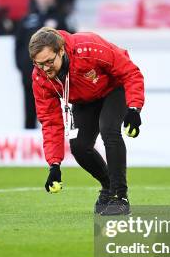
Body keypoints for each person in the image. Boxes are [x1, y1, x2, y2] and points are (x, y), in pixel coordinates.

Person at [29, 27, 145, 215]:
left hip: (114, 88)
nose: (45, 69)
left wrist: (134, 108)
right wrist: (54, 165)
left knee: (109, 130)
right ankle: (108, 187)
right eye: (39, 64)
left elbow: (130, 72)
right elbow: (51, 122)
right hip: (84, 100)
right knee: (79, 147)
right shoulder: (40, 78)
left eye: (49, 62)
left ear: (61, 51)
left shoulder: (89, 47)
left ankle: (119, 197)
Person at [15, 0, 74, 129]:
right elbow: (18, 46)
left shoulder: (62, 19)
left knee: (54, 116)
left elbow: (69, 45)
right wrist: (22, 68)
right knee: (29, 112)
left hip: (54, 77)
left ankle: (56, 148)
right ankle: (30, 148)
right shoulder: (26, 20)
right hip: (30, 76)